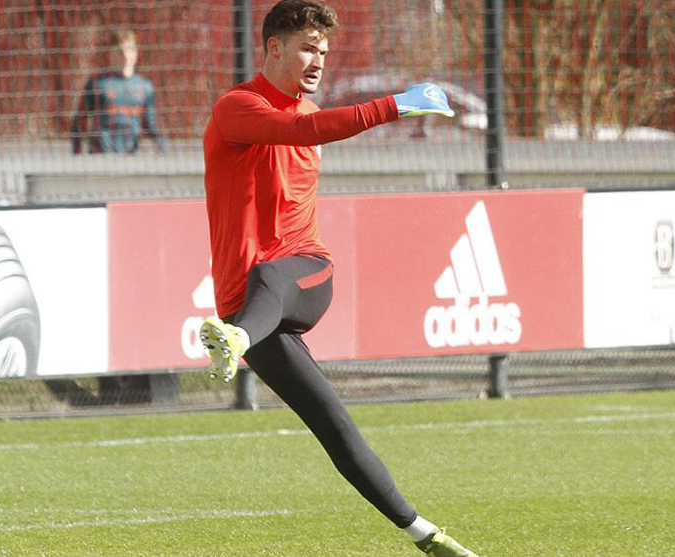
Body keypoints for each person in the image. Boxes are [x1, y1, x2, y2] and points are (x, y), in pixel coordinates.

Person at [198, 2, 477, 556]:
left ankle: (235, 339)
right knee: (335, 427)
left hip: (307, 273)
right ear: (273, 47)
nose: (318, 60)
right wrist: (395, 104)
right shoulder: (237, 107)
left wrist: (393, 107)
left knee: (273, 274)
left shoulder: (308, 112)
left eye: (323, 51)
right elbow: (309, 127)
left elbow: (313, 125)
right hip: (244, 305)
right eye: (307, 47)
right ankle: (425, 534)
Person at [71, 29, 167, 154]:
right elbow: (79, 122)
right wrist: (77, 153)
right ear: (111, 54)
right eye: (120, 51)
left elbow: (150, 124)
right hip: (101, 160)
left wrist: (161, 145)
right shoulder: (97, 84)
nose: (126, 55)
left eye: (130, 50)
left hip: (131, 160)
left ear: (136, 53)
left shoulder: (144, 86)